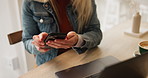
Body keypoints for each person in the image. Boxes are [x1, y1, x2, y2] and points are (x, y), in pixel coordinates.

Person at [22, 0, 102, 66]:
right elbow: (27, 40)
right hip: (50, 65)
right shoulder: (30, 3)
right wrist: (38, 45)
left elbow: (96, 32)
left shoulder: (86, 2)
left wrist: (78, 40)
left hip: (83, 60)